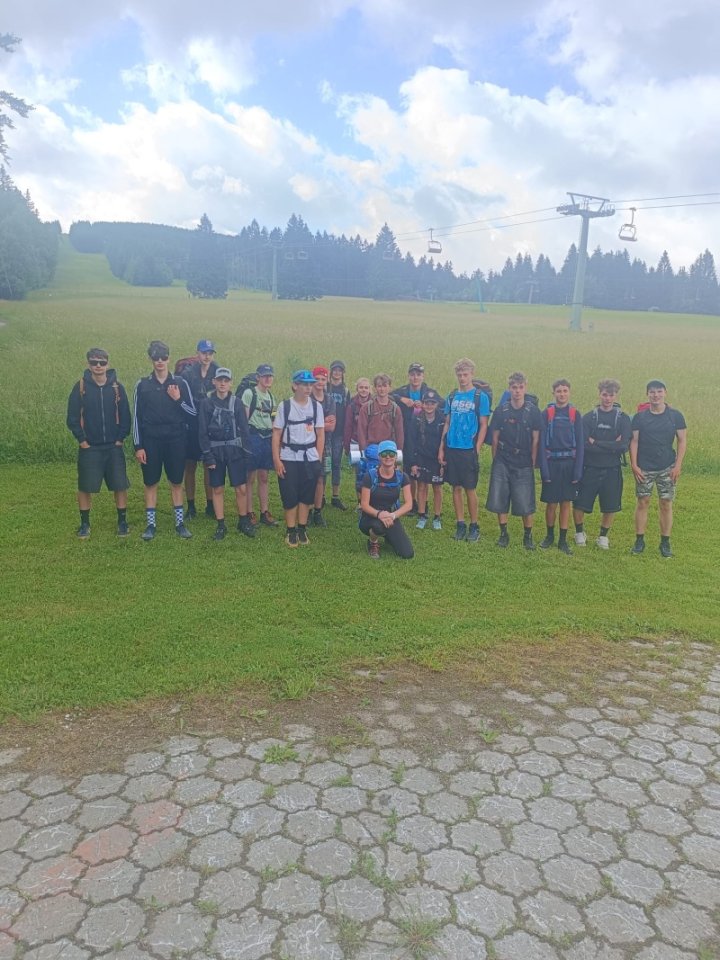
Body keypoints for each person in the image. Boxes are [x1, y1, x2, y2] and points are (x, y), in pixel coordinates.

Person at [133, 340, 197, 540]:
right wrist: (138, 446)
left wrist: (178, 399)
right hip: (151, 441)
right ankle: (151, 525)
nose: (160, 361)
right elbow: (136, 418)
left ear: (169, 358)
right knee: (150, 482)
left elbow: (193, 413)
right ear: (151, 359)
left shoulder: (181, 383)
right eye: (156, 357)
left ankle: (179, 523)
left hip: (176, 440)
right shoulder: (142, 385)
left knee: (176, 482)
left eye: (163, 357)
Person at [66, 347, 131, 538]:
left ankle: (122, 522)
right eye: (94, 362)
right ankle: (85, 524)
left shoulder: (117, 387)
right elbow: (72, 418)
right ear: (88, 364)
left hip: (113, 446)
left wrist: (120, 439)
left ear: (108, 364)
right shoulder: (80, 387)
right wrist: (82, 440)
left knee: (120, 485)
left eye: (102, 362)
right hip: (90, 447)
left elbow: (125, 416)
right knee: (85, 486)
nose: (98, 366)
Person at [629, 380, 687, 558]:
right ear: (647, 394)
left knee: (666, 503)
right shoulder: (639, 417)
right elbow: (634, 441)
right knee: (642, 502)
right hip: (644, 468)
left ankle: (665, 542)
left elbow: (682, 440)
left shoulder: (675, 416)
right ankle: (639, 541)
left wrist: (678, 465)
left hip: (667, 467)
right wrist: (634, 465)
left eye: (659, 391)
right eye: (652, 392)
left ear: (665, 393)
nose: (656, 395)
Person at [486, 371, 543, 549]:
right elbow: (495, 437)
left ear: (525, 388)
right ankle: (503, 534)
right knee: (500, 498)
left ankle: (528, 536)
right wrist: (496, 460)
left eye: (520, 387)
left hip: (524, 460)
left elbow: (536, 439)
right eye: (514, 387)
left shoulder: (533, 411)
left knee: (525, 501)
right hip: (503, 458)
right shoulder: (501, 410)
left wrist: (532, 462)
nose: (517, 391)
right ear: (509, 388)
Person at [573, 379, 632, 550]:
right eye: (605, 395)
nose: (607, 398)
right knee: (579, 503)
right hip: (589, 467)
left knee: (610, 505)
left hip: (612, 468)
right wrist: (611, 445)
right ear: (599, 394)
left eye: (611, 395)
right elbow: (584, 445)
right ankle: (579, 532)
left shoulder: (623, 418)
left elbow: (623, 446)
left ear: (616, 396)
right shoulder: (588, 417)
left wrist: (597, 442)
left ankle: (603, 536)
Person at [198, 368, 255, 541]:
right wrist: (207, 455)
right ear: (214, 381)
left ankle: (243, 521)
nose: (222, 384)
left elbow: (244, 429)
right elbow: (202, 432)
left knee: (241, 488)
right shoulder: (206, 403)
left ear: (231, 383)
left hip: (235, 450)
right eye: (220, 380)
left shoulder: (237, 403)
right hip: (215, 451)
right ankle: (221, 524)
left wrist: (247, 454)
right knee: (217, 488)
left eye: (226, 380)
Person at [272, 370, 325, 547]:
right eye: (304, 384)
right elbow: (276, 434)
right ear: (295, 386)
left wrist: (318, 458)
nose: (308, 388)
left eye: (310, 384)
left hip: (309, 457)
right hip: (289, 456)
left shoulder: (316, 407)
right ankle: (290, 530)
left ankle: (302, 529)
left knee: (306, 495)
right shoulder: (285, 406)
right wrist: (277, 460)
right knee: (290, 494)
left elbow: (320, 434)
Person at [438, 358, 489, 542]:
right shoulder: (452, 396)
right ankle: (460, 524)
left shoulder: (480, 397)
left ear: (472, 374)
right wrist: (442, 447)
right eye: (459, 375)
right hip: (452, 447)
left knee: (470, 488)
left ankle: (474, 525)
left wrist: (477, 447)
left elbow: (484, 424)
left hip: (468, 449)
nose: (462, 378)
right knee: (455, 487)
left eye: (465, 374)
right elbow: (447, 422)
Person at [539, 379, 584, 555]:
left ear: (569, 392)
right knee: (551, 503)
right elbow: (541, 444)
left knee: (566, 503)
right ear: (553, 393)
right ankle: (549, 535)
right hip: (551, 463)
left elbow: (580, 444)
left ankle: (563, 540)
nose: (562, 394)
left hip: (569, 464)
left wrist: (578, 470)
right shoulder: (547, 414)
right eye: (559, 391)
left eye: (565, 391)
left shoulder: (575, 414)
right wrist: (544, 469)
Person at [177, 339, 218, 519]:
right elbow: (183, 398)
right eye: (204, 353)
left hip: (210, 425)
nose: (207, 356)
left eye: (210, 353)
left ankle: (210, 505)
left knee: (209, 465)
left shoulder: (217, 371)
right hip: (191, 424)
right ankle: (191, 505)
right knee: (190, 465)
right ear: (197, 353)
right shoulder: (187, 373)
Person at [359, 440, 414, 559]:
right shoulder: (370, 476)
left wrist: (393, 516)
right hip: (371, 516)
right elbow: (364, 505)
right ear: (379, 457)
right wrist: (379, 514)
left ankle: (387, 535)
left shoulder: (402, 477)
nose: (388, 457)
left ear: (396, 456)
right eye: (384, 454)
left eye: (391, 454)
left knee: (407, 554)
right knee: (378, 527)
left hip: (391, 516)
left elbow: (409, 504)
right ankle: (373, 542)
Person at [240, 363, 278, 528]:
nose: (268, 379)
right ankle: (249, 511)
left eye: (270, 376)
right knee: (250, 476)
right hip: (253, 436)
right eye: (265, 376)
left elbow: (273, 419)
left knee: (264, 476)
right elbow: (244, 420)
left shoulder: (271, 397)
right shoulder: (250, 394)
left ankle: (264, 511)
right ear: (258, 377)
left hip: (267, 437)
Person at [392, 362, 431, 514]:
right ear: (408, 376)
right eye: (412, 374)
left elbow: (440, 403)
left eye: (418, 374)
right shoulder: (403, 391)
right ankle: (411, 501)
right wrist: (402, 399)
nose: (415, 378)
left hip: (424, 437)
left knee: (423, 471)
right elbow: (388, 395)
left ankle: (424, 502)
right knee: (409, 471)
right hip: (407, 435)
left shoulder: (428, 392)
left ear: (423, 376)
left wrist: (425, 405)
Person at [406, 389, 445, 530]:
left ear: (437, 404)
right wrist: (413, 462)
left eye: (432, 403)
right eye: (427, 403)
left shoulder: (442, 420)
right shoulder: (416, 419)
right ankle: (422, 515)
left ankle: (437, 517)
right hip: (421, 458)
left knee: (437, 487)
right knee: (421, 486)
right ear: (422, 404)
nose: (429, 406)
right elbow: (411, 441)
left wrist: (443, 460)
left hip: (436, 459)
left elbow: (445, 441)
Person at [309, 365, 336, 527]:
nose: (320, 382)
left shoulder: (330, 400)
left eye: (323, 379)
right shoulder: (307, 398)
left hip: (326, 444)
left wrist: (315, 424)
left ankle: (318, 511)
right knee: (308, 477)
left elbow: (331, 426)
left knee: (321, 477)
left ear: (326, 381)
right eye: (317, 379)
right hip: (307, 443)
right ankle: (307, 509)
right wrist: (321, 423)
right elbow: (305, 425)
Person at [356, 374, 404, 453]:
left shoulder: (395, 409)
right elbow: (361, 431)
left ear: (390, 388)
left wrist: (399, 451)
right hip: (371, 447)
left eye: (385, 386)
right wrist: (363, 450)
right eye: (379, 386)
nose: (382, 389)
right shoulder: (366, 408)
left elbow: (399, 432)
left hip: (388, 448)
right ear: (375, 388)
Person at [327, 360, 351, 510]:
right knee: (323, 464)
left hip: (339, 433)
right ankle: (320, 495)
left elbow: (348, 412)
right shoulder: (325, 388)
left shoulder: (345, 391)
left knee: (336, 463)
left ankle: (335, 496)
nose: (337, 373)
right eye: (334, 370)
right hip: (325, 431)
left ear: (343, 373)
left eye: (339, 370)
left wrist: (345, 434)